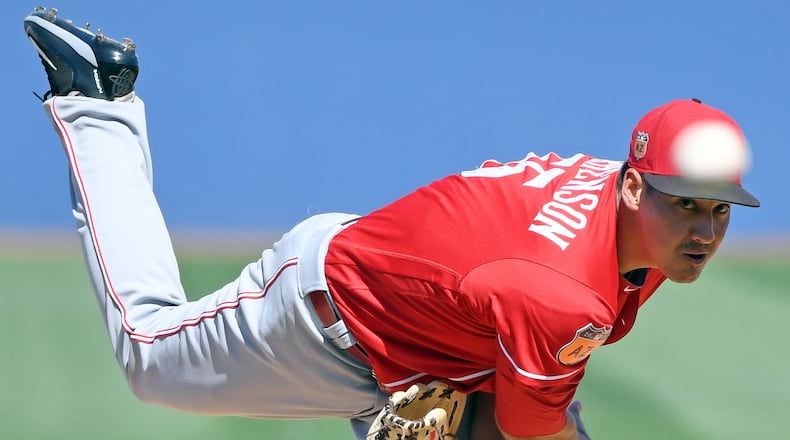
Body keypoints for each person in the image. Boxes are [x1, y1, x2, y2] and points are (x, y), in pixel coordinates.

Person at [23, 7, 760, 440]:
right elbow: (534, 430)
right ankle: (99, 105)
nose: (704, 230)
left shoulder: (615, 207)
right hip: (323, 322)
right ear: (634, 187)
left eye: (719, 209)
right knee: (149, 356)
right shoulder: (563, 291)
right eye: (684, 203)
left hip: (418, 317)